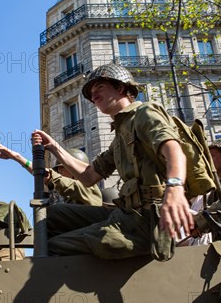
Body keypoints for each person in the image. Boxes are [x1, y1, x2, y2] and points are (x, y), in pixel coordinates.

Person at [32, 63, 194, 259]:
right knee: (51, 216)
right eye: (91, 93)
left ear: (120, 87)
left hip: (149, 220)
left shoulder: (144, 113)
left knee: (56, 245)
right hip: (127, 214)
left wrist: (175, 189)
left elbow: (173, 149)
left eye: (99, 87)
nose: (93, 96)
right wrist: (54, 147)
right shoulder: (120, 136)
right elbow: (89, 176)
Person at [0, 136, 102, 206]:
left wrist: (17, 157)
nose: (60, 172)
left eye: (63, 169)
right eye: (59, 170)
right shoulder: (63, 195)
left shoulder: (87, 188)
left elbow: (48, 176)